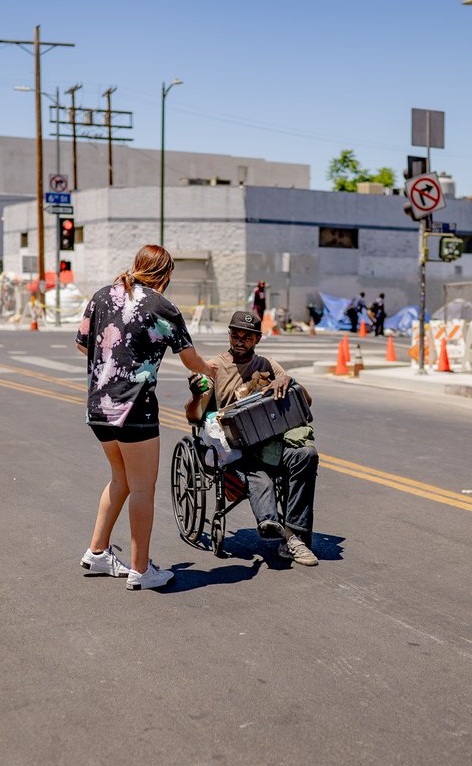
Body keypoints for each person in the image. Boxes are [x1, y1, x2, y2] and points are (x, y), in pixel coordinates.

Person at [76, 245, 216, 591]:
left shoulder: (101, 296)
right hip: (134, 409)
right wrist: (211, 370)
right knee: (142, 487)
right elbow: (189, 358)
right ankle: (141, 569)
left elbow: (82, 344)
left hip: (99, 407)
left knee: (120, 479)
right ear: (165, 274)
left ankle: (97, 551)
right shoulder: (161, 306)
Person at [184, 310, 320, 567]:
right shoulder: (213, 367)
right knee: (259, 475)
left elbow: (306, 401)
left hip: (269, 442)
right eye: (235, 335)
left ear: (257, 339)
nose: (239, 340)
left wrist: (289, 381)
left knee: (306, 454)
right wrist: (194, 396)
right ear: (229, 335)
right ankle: (272, 523)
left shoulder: (268, 365)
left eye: (246, 337)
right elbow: (193, 417)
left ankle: (293, 536)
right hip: (235, 449)